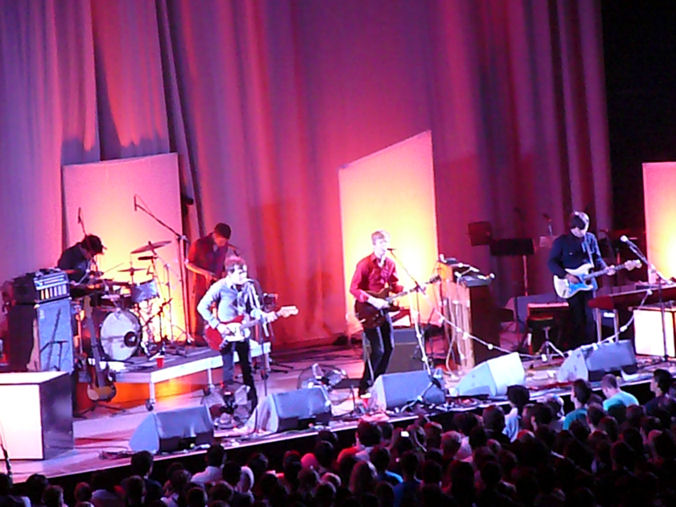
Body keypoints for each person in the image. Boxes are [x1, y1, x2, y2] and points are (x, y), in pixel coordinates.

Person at [197, 256, 276, 409]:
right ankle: (229, 406)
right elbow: (202, 307)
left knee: (248, 368)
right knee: (228, 370)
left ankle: (253, 405)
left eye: (245, 272)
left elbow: (253, 309)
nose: (243, 276)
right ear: (230, 273)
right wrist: (217, 325)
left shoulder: (248, 286)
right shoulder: (220, 287)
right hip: (225, 333)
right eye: (240, 273)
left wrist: (264, 316)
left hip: (242, 332)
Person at [547, 211, 613, 348]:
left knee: (591, 317)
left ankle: (591, 347)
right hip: (570, 285)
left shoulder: (590, 238)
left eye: (585, 229)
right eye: (579, 230)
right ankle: (578, 349)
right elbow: (552, 263)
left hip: (588, 283)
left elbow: (597, 258)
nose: (582, 232)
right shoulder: (561, 242)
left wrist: (605, 268)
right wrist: (567, 275)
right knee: (577, 318)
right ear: (573, 228)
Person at [349, 230, 403, 396]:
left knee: (390, 347)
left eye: (386, 242)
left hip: (382, 309)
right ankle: (364, 386)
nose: (384, 246)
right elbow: (354, 289)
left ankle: (378, 383)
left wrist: (408, 289)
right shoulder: (364, 264)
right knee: (377, 350)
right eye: (381, 243)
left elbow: (394, 284)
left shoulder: (390, 263)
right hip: (367, 310)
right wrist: (373, 301)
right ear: (374, 245)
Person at [186, 223, 236, 341]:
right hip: (202, 283)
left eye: (225, 242)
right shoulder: (199, 244)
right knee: (200, 309)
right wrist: (205, 273)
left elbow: (221, 263)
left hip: (218, 282)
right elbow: (188, 264)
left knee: (224, 307)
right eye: (221, 241)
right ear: (215, 235)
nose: (223, 244)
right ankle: (198, 337)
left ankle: (223, 334)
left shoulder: (224, 247)